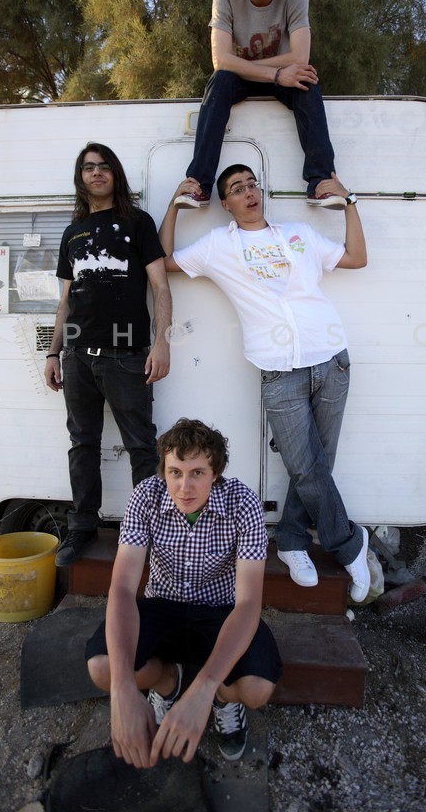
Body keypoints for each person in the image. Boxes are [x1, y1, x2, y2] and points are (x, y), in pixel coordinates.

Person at [159, 165, 370, 601]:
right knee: (305, 465)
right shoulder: (218, 246)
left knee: (319, 462)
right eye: (237, 189)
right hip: (279, 370)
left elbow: (355, 257)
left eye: (252, 184)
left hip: (332, 359)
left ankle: (291, 540)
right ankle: (349, 542)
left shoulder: (298, 235)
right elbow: (161, 263)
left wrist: (349, 202)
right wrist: (173, 207)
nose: (249, 192)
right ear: (226, 204)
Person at [85, 418, 282, 766]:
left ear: (215, 473)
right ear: (164, 471)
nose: (184, 487)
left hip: (220, 609)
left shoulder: (243, 503)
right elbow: (123, 587)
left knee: (256, 689)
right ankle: (168, 684)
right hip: (162, 603)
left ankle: (222, 697)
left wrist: (204, 690)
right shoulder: (146, 496)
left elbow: (249, 602)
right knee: (103, 668)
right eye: (175, 472)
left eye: (197, 473)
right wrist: (122, 689)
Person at [45, 143, 172, 567]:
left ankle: (146, 532)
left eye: (103, 167)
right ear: (80, 178)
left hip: (126, 355)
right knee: (82, 444)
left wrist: (162, 341)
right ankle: (82, 527)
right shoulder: (73, 233)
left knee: (141, 446)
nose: (96, 173)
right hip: (77, 357)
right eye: (88, 168)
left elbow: (161, 287)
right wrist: (53, 352)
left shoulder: (138, 222)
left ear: (115, 174)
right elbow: (65, 302)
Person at [175, 0, 345, 211]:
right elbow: (221, 62)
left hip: (281, 79)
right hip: (247, 79)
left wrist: (251, 67)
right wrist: (277, 72)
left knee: (307, 81)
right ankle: (198, 182)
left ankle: (321, 180)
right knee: (219, 82)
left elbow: (300, 57)